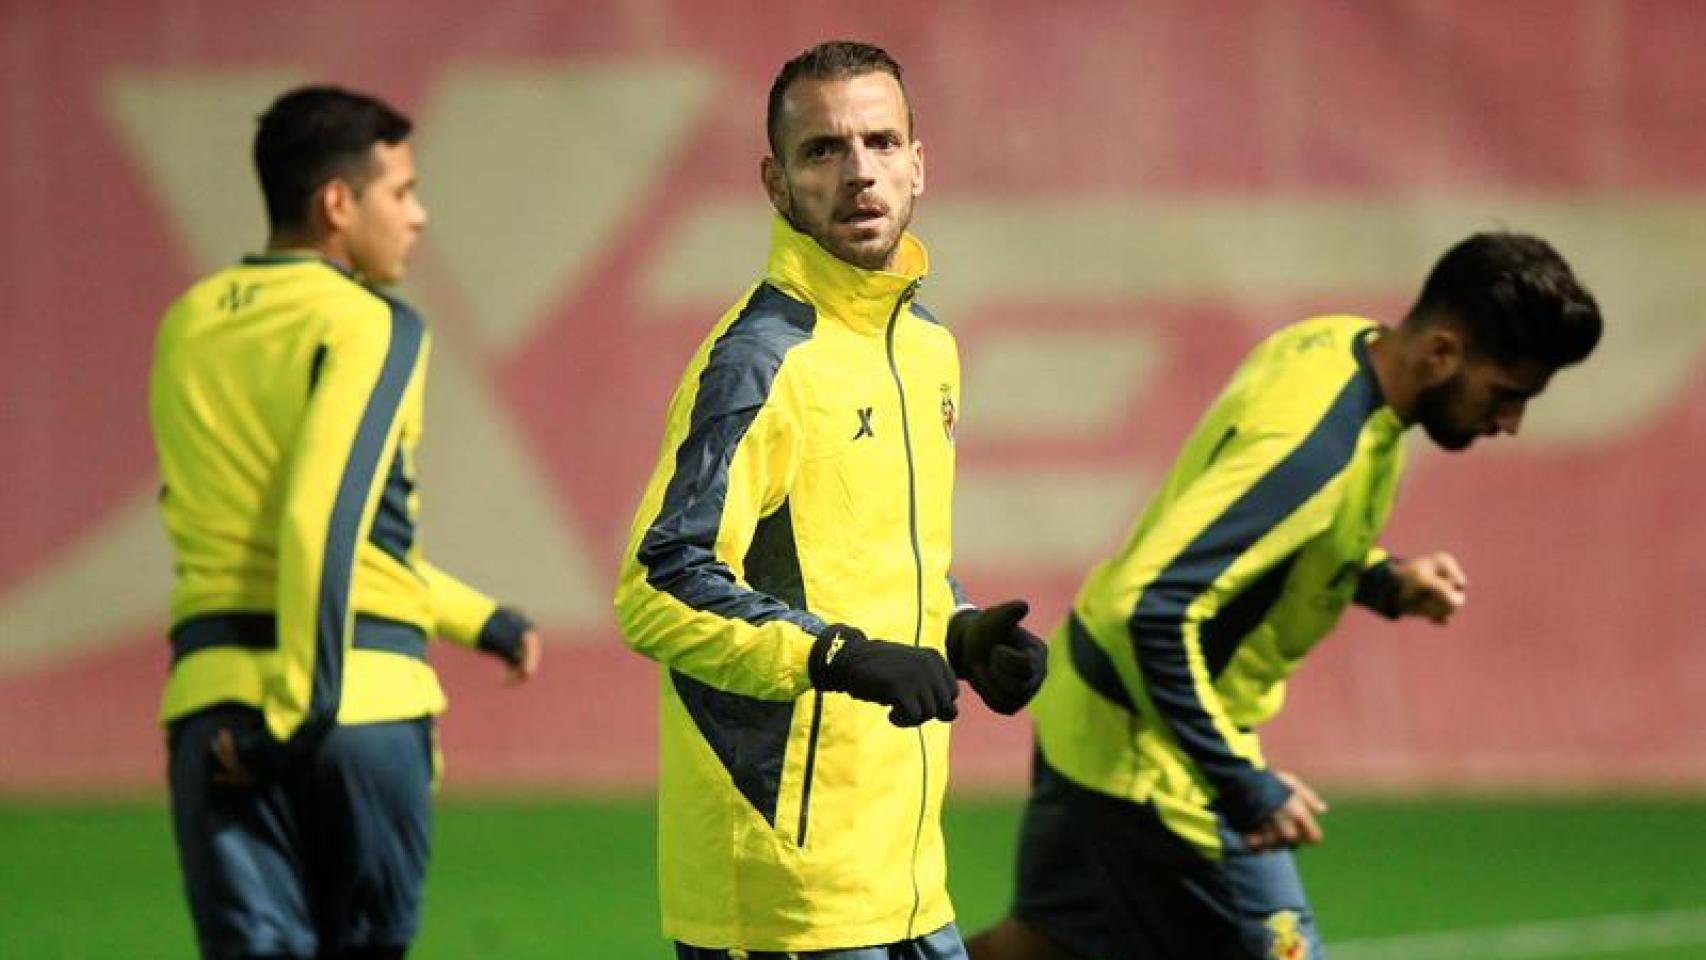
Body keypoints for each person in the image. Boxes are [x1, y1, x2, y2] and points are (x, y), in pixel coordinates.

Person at [967, 233, 1602, 960]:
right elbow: (1148, 609)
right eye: (1506, 394)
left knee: (1042, 949)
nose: (1510, 422)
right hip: (1150, 755)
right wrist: (1244, 784)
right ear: (1441, 355)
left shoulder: (1334, 346)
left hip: (1091, 709)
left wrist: (1384, 580)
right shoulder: (1316, 449)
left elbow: (1258, 536)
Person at [613, 40, 1049, 959]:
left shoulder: (927, 347)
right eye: (823, 151)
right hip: (782, 892)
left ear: (919, 163)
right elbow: (658, 586)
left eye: (882, 142)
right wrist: (839, 658)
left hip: (906, 875)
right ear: (776, 185)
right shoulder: (758, 362)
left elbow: (877, 551)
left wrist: (960, 628)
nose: (860, 172)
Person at [149, 85, 542, 960]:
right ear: (337, 203)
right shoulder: (371, 324)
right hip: (348, 706)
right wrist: (299, 711)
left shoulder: (187, 323)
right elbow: (321, 518)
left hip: (210, 705)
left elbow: (265, 527)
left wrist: (482, 619)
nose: (420, 216)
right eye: (400, 192)